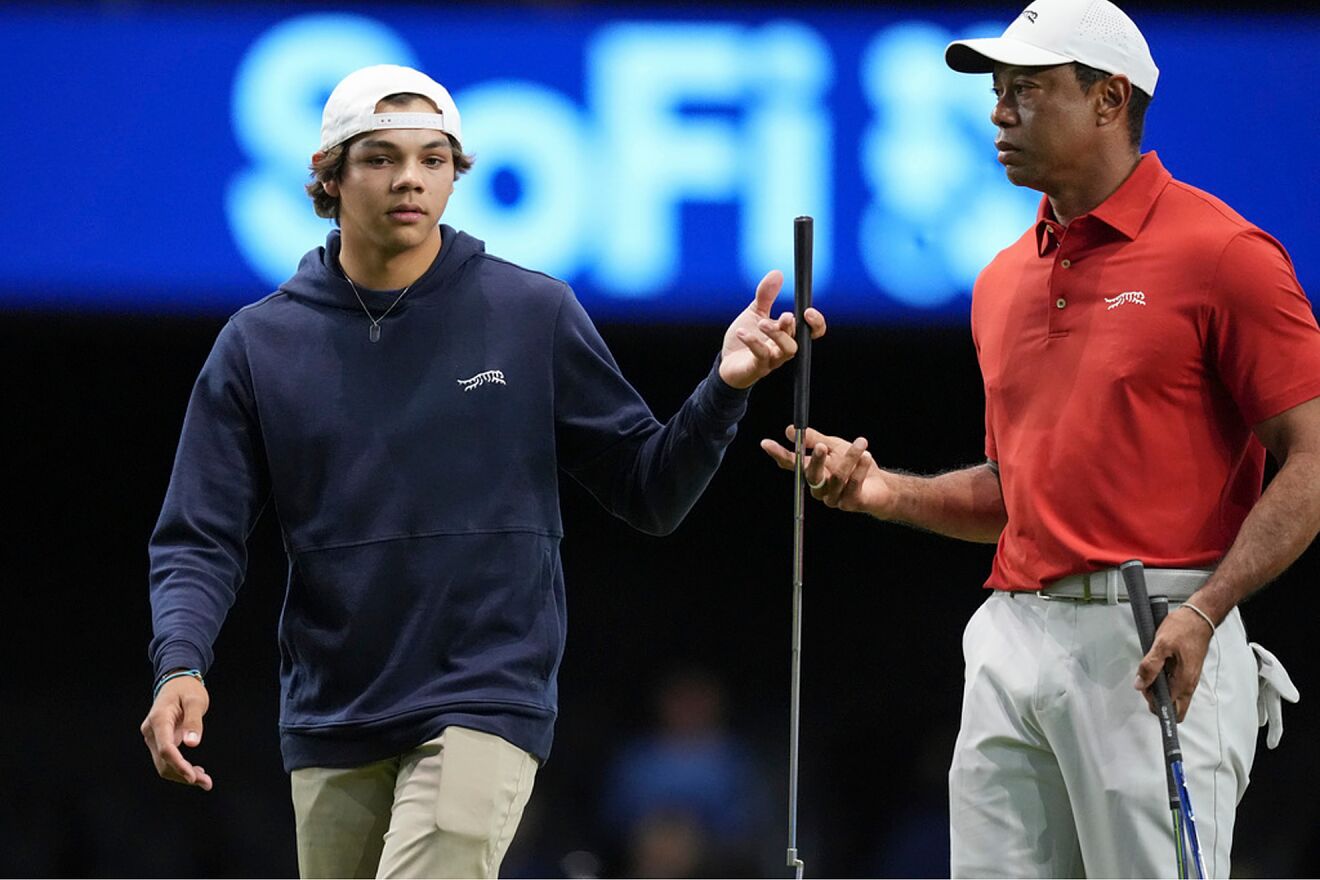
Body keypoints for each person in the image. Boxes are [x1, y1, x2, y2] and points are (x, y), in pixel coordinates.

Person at [141, 63, 825, 879]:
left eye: (434, 159)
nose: (410, 179)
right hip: (333, 710)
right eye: (380, 158)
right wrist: (180, 661)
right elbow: (199, 534)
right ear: (327, 177)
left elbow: (650, 492)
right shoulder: (257, 345)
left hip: (485, 693)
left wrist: (725, 387)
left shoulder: (530, 313)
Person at [763, 0, 1316, 876]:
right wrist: (880, 490)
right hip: (1011, 639)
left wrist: (1207, 611)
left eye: (1027, 88)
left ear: (1109, 100)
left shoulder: (1223, 254)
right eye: (996, 89)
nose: (998, 111)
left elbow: (1313, 461)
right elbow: (1019, 494)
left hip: (1158, 635)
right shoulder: (1002, 282)